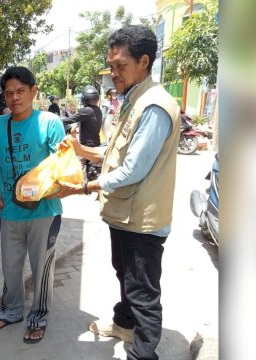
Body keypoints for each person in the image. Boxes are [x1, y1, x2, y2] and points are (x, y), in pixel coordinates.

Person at [50, 25, 181, 360]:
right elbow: (116, 151)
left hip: (142, 218)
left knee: (143, 289)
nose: (113, 74)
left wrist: (81, 187)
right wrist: (82, 149)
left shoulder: (153, 105)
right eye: (111, 66)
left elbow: (133, 169)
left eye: (120, 66)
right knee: (124, 273)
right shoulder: (133, 100)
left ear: (144, 62)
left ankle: (143, 352)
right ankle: (124, 324)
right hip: (124, 213)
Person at [0, 66, 65, 344]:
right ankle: (12, 311)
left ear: (34, 91)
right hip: (10, 210)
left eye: (20, 91)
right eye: (9, 93)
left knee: (41, 268)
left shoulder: (50, 123)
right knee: (11, 266)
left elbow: (61, 165)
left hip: (45, 210)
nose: (14, 97)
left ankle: (39, 316)